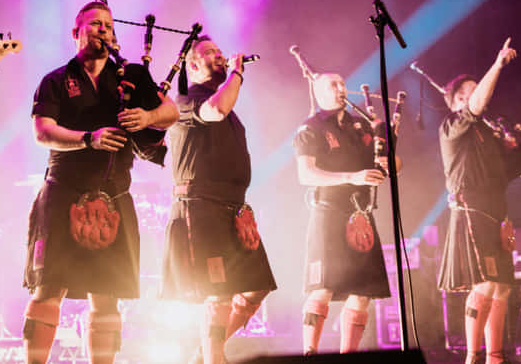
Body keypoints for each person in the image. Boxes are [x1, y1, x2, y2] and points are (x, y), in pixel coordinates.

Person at [23, 1, 178, 364]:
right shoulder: (56, 80)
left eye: (108, 24)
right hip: (64, 192)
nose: (102, 29)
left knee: (107, 293)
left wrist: (148, 115)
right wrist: (86, 138)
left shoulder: (131, 77)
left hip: (114, 195)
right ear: (75, 33)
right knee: (48, 288)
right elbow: (42, 131)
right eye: (93, 24)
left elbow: (171, 112)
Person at [159, 36, 276, 364]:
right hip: (201, 206)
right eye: (211, 53)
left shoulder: (224, 102)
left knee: (256, 288)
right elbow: (217, 109)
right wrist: (236, 74)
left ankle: (206, 353)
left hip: (233, 209)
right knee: (218, 294)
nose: (221, 57)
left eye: (221, 53)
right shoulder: (185, 101)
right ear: (192, 65)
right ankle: (213, 358)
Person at [436, 38, 521, 364]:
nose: (476, 95)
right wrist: (496, 65)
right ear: (455, 102)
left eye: (477, 89)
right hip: (471, 209)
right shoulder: (451, 128)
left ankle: (494, 358)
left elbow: (509, 170)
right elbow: (477, 105)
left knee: (503, 288)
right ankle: (473, 357)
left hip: (498, 212)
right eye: (466, 93)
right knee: (483, 286)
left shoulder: (488, 135)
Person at [293, 73, 394, 354]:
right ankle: (309, 354)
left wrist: (386, 143)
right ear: (318, 92)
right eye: (332, 85)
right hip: (328, 212)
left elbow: (390, 167)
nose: (341, 89)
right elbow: (306, 174)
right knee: (322, 288)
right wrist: (354, 177)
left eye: (341, 83)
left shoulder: (359, 125)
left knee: (363, 293)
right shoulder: (310, 127)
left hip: (361, 213)